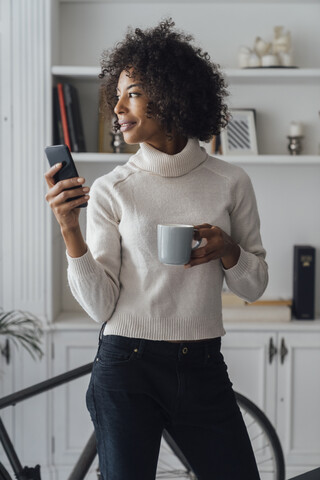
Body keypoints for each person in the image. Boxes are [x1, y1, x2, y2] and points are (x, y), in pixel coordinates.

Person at [45, 19, 268, 480]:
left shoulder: (231, 182)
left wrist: (228, 249)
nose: (118, 107)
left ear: (172, 94)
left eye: (134, 93)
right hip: (127, 365)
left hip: (203, 363)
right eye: (118, 94)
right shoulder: (113, 188)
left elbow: (255, 286)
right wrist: (70, 229)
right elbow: (100, 305)